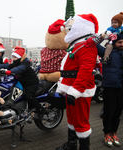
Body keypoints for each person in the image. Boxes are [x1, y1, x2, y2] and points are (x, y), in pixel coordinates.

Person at [56, 14, 100, 150]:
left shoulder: (86, 46)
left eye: (72, 25)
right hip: (71, 89)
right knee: (72, 119)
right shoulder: (78, 45)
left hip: (79, 91)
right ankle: (72, 144)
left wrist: (75, 92)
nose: (68, 28)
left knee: (80, 122)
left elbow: (85, 71)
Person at [0, 46, 46, 118]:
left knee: (29, 96)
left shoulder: (25, 63)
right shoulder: (17, 62)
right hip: (22, 82)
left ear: (20, 57)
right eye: (13, 57)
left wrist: (10, 71)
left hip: (31, 84)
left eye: (15, 57)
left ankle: (41, 109)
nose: (13, 59)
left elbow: (20, 69)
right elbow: (8, 66)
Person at [96, 31, 123, 148]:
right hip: (109, 87)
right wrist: (105, 36)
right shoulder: (107, 53)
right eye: (120, 42)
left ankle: (114, 133)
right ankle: (107, 134)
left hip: (121, 88)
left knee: (117, 113)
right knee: (109, 112)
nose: (122, 44)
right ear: (115, 42)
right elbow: (96, 45)